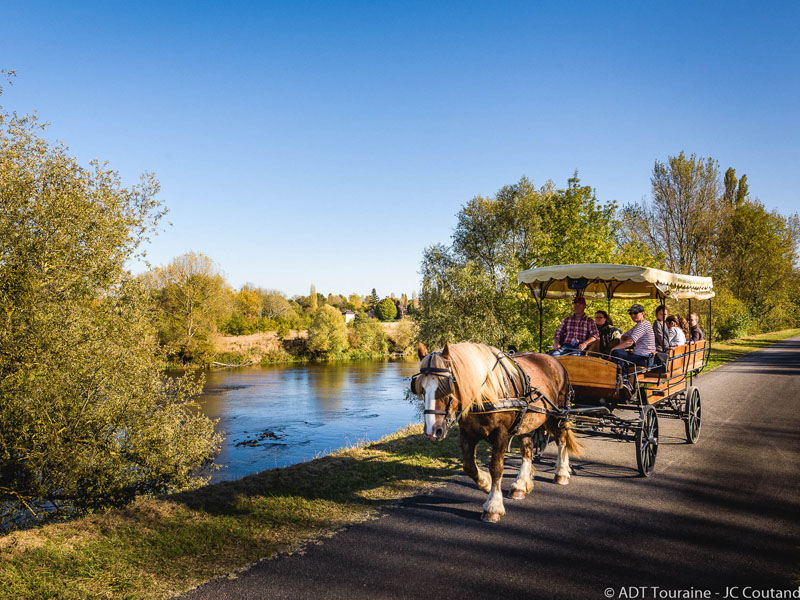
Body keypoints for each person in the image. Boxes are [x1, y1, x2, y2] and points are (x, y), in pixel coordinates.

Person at [610, 304, 656, 382]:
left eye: (635, 313)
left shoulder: (643, 325)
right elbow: (624, 336)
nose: (633, 315)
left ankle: (623, 379)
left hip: (643, 358)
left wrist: (613, 349)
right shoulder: (639, 325)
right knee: (618, 353)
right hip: (640, 356)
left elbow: (630, 342)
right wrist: (623, 347)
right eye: (631, 313)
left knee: (616, 353)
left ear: (643, 313)